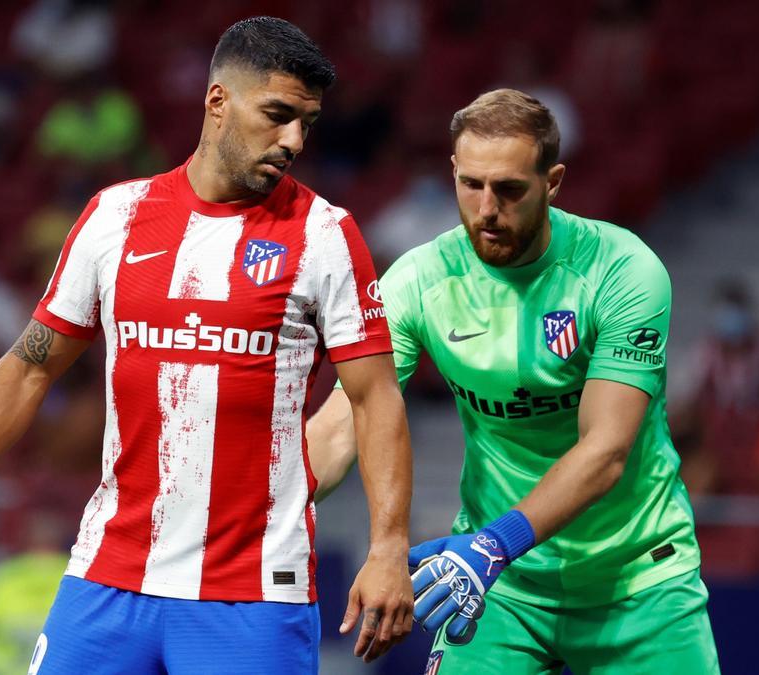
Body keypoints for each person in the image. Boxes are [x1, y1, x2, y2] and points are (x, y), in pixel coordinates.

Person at [0, 17, 414, 673]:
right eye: (279, 114)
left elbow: (374, 398)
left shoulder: (325, 236)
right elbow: (30, 366)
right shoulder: (115, 216)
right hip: (107, 578)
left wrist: (388, 546)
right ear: (218, 101)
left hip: (252, 595)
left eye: (306, 124)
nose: (292, 140)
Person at [307, 89, 718, 674]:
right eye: (470, 185)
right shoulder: (420, 280)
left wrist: (494, 544)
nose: (485, 209)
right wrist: (258, 513)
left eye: (509, 189)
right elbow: (346, 422)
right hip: (498, 590)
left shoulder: (622, 271)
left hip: (637, 577)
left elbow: (605, 452)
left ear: (552, 182)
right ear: (452, 170)